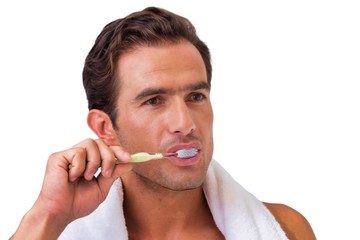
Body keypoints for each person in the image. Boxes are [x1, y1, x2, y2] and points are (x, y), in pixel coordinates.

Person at [11, 6, 316, 240]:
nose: (185, 124)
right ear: (105, 128)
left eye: (196, 96)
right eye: (154, 101)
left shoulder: (287, 229)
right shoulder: (53, 230)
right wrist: (49, 215)